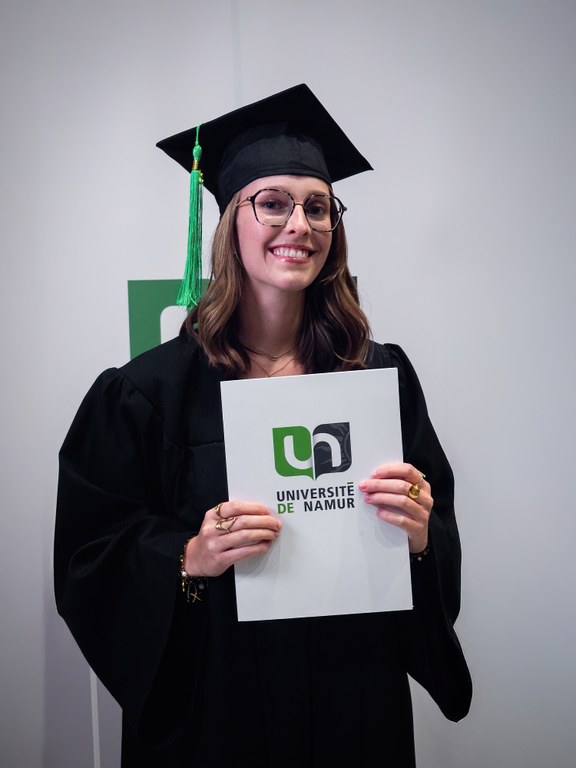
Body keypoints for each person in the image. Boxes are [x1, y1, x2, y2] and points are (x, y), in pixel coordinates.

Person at [54, 84, 472, 767]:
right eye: (273, 202)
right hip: (217, 710)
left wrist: (421, 534)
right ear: (230, 223)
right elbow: (90, 558)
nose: (298, 224)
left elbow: (434, 537)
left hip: (353, 698)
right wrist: (189, 556)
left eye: (318, 207)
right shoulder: (146, 394)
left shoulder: (377, 377)